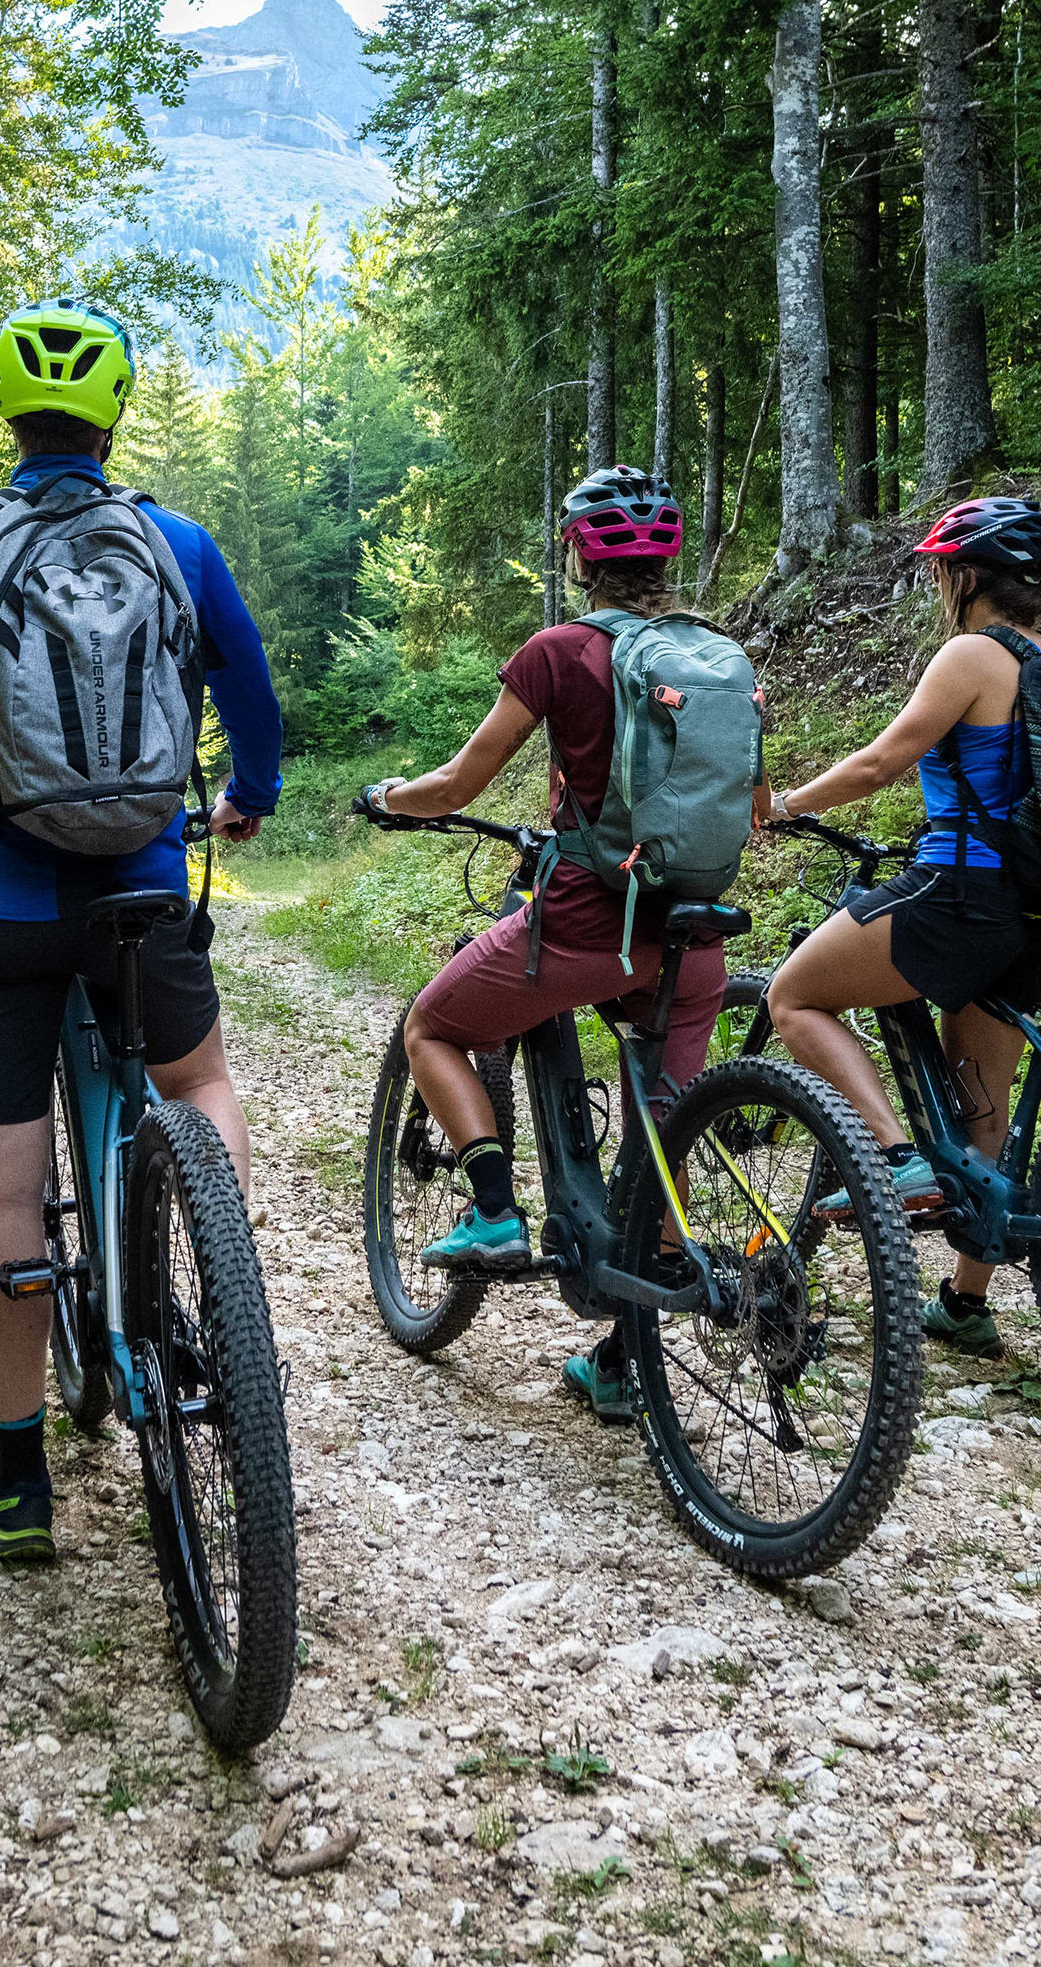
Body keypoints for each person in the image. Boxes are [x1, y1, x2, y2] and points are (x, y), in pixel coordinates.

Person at [0, 299, 283, 1565]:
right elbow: (252, 692)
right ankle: (221, 1305)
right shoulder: (179, 541)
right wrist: (244, 798)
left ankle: (21, 1473)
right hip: (142, 889)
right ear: (116, 416)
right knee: (196, 1080)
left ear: (8, 412)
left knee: (2, 1185)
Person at [362, 466, 734, 1427]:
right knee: (665, 1126)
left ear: (579, 556)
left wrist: (387, 799)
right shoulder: (718, 658)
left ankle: (492, 1210)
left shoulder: (559, 652)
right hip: (692, 941)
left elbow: (458, 783)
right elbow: (754, 807)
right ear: (670, 558)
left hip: (585, 929)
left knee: (433, 1028)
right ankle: (621, 1358)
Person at [757, 495, 1041, 1360]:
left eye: (940, 566)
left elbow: (883, 760)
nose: (936, 580)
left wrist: (786, 806)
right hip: (1036, 907)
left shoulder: (973, 652)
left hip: (962, 890)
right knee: (983, 1104)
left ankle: (898, 1161)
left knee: (794, 997)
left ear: (966, 575)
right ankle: (966, 1306)